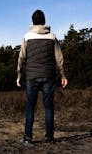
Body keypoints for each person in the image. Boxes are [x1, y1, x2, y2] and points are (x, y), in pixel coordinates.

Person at [16, 9, 68, 144]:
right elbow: (59, 58)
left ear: (32, 21)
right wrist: (63, 75)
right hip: (48, 76)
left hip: (32, 77)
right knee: (49, 107)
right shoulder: (52, 36)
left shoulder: (27, 37)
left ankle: (28, 138)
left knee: (30, 107)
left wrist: (19, 75)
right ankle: (49, 138)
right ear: (44, 21)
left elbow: (21, 57)